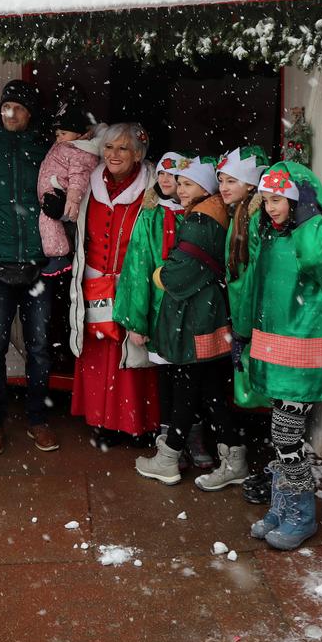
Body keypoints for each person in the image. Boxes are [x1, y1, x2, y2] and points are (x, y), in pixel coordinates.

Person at [243, 161, 322, 552]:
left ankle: (301, 514)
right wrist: (244, 333)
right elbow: (255, 285)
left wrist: (308, 215)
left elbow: (321, 267)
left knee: (286, 435)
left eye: (279, 199)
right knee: (279, 435)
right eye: (266, 199)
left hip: (305, 347)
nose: (271, 207)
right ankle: (282, 507)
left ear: (298, 199)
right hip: (274, 344)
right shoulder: (268, 232)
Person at [134, 156, 243, 487]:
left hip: (193, 318)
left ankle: (168, 459)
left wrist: (159, 274)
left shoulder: (199, 221)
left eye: (188, 183)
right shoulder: (219, 213)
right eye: (179, 183)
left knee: (185, 386)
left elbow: (178, 274)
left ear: (204, 188)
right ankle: (234, 457)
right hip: (210, 315)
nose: (180, 189)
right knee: (209, 389)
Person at [68, 123, 160, 440]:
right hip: (95, 283)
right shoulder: (89, 184)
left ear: (137, 154)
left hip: (134, 284)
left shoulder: (152, 190)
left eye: (123, 148)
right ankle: (100, 421)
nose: (114, 154)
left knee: (132, 354)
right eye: (109, 147)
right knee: (97, 352)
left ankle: (135, 425)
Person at [0, 80, 56, 454]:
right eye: (6, 107)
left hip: (38, 264)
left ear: (29, 114)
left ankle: (37, 419)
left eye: (19, 109)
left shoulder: (46, 150)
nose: (11, 114)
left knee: (39, 348)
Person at [115, 150, 185, 452]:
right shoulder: (150, 216)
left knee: (193, 381)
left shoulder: (198, 214)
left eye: (174, 173)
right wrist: (135, 320)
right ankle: (169, 442)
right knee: (168, 381)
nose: (166, 179)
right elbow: (136, 268)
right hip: (160, 314)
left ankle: (191, 437)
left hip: (192, 316)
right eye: (162, 173)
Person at [212, 144, 270, 495]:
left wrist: (244, 328)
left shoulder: (254, 219)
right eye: (220, 179)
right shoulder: (238, 213)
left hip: (251, 321)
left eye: (232, 180)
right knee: (248, 393)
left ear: (251, 184)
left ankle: (262, 466)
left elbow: (249, 278)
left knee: (256, 395)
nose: (223, 186)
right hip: (243, 318)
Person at [37, 99, 100, 278]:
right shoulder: (65, 146)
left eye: (64, 133)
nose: (59, 137)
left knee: (48, 220)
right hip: (52, 195)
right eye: (57, 134)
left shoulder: (80, 151)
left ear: (80, 134)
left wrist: (72, 198)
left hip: (61, 195)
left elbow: (78, 177)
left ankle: (58, 257)